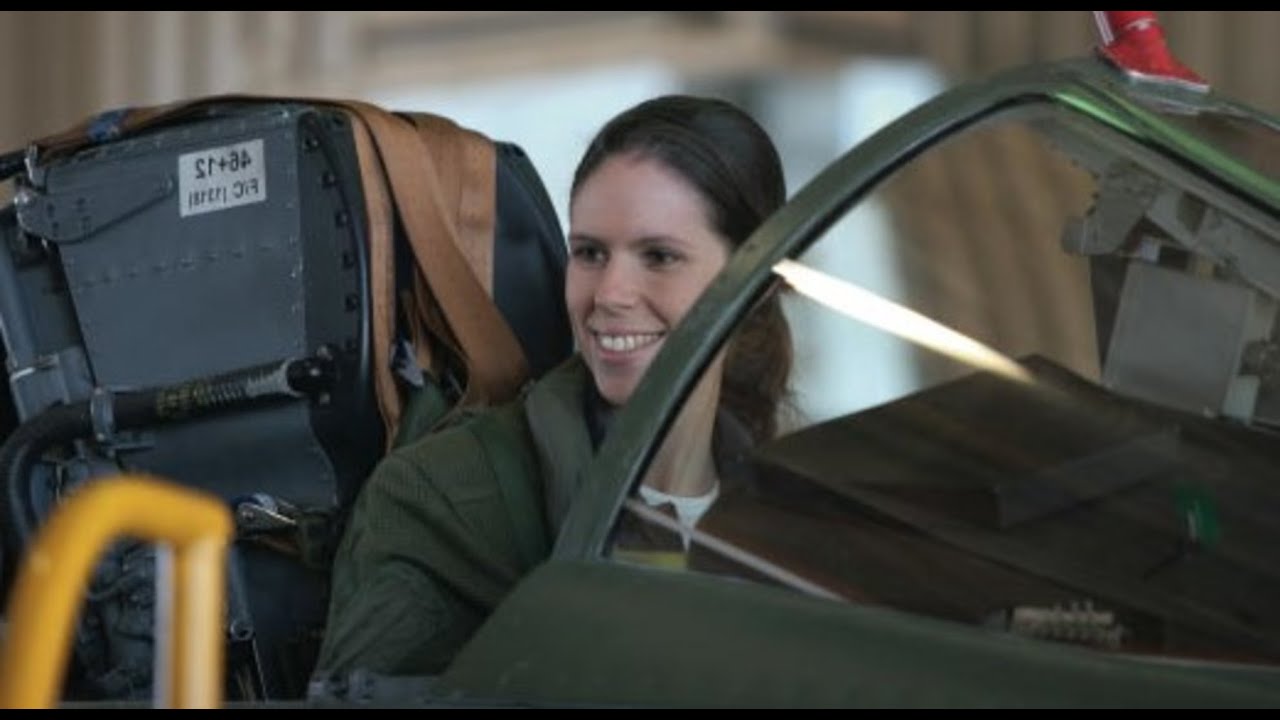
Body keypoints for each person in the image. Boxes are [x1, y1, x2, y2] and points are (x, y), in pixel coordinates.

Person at [315, 94, 793, 677]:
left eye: (659, 257)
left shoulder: (797, 516)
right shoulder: (445, 498)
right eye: (589, 253)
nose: (609, 294)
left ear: (755, 287)